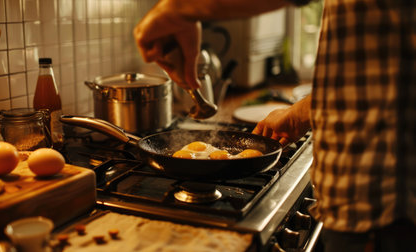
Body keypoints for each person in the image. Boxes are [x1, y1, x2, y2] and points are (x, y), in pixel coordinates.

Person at [134, 0, 416, 251]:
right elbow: (376, 68)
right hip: (368, 197)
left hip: (383, 202)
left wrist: (177, 8)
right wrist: (301, 112)